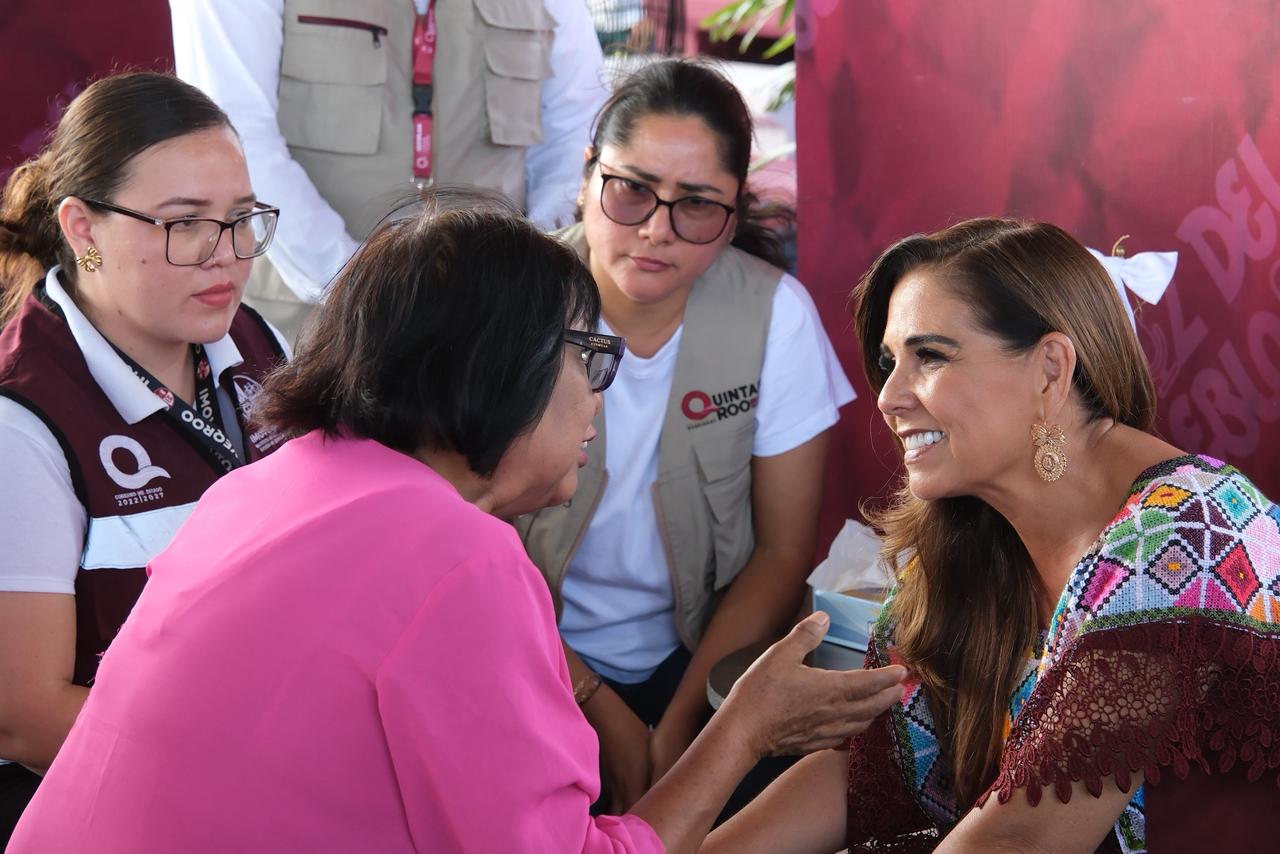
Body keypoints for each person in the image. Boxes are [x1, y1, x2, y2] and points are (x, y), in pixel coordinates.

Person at [6, 194, 907, 853]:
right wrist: (744, 729)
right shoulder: (459, 557)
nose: (600, 397)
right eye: (590, 357)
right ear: (502, 367)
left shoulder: (271, 484)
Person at [702, 218, 1280, 853]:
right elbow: (864, 771)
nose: (888, 397)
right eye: (891, 362)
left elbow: (1022, 839)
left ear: (1050, 370)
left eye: (930, 356)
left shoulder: (1189, 538)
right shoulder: (977, 528)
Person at [515, 58, 856, 812]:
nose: (656, 230)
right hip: (522, 651)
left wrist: (682, 733)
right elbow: (464, 537)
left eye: (696, 205)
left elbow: (781, 552)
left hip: (698, 660)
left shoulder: (775, 316)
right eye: (631, 190)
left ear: (734, 213)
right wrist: (598, 706)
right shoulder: (507, 303)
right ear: (586, 177)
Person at [0, 72, 290, 844]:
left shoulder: (258, 342)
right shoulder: (20, 420)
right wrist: (261, 772)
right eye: (183, 223)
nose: (227, 255)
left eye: (241, 219)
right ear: (82, 229)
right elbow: (24, 715)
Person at [169, 0, 608, 342]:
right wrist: (361, 284)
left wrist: (520, 275)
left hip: (494, 332)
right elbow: (235, 134)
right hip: (308, 333)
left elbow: (575, 128)